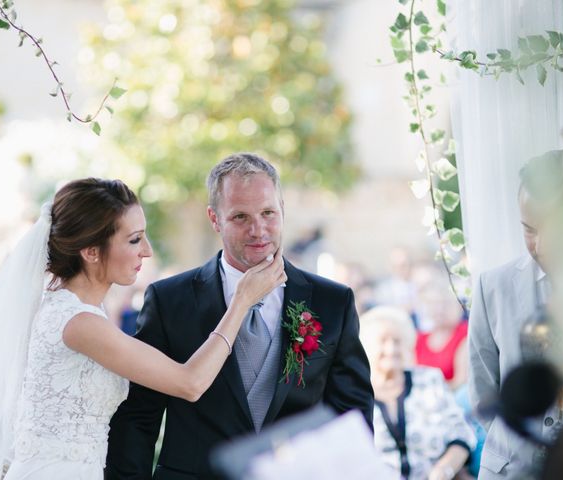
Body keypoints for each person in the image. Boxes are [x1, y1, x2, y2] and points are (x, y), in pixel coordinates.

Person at [0, 178, 285, 480]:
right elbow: (189, 383)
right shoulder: (77, 323)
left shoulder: (80, 312)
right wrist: (241, 302)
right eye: (134, 240)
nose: (147, 251)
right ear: (91, 251)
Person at [106, 153, 374, 479]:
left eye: (267, 213)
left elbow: (351, 418)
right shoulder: (168, 300)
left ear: (283, 210)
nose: (257, 230)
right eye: (240, 217)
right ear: (215, 219)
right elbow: (138, 417)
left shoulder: (334, 302)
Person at [468, 150, 563, 479]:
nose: (541, 245)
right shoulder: (493, 286)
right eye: (529, 229)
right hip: (509, 470)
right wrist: (517, 444)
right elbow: (482, 389)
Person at [359, 306, 475, 480]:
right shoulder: (356, 394)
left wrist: (444, 471)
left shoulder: (429, 379)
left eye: (397, 341)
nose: (391, 349)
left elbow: (462, 435)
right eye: (383, 341)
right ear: (366, 347)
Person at [415, 278, 468, 390]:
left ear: (458, 305)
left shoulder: (465, 334)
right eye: (433, 304)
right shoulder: (420, 339)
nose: (439, 309)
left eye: (445, 304)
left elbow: (462, 381)